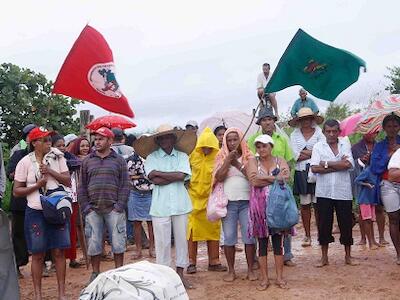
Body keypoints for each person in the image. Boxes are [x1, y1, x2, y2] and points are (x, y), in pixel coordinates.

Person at [13, 127, 72, 300]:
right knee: (37, 254)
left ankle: (61, 294)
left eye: (49, 140)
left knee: (59, 252)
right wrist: (37, 186)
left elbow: (68, 181)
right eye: (44, 140)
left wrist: (50, 171)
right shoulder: (24, 162)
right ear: (34, 143)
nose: (49, 143)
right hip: (35, 211)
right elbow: (17, 191)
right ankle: (38, 295)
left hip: (56, 209)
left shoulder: (58, 157)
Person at [140, 124, 196, 289]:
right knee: (162, 242)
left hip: (180, 203)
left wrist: (160, 173)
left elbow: (182, 175)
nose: (165, 140)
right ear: (157, 140)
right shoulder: (152, 158)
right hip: (160, 205)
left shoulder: (182, 156)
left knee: (181, 240)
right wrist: (174, 176)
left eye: (167, 137)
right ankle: (164, 278)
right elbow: (153, 178)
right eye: (161, 137)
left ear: (173, 138)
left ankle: (180, 275)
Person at [78, 127, 129, 283]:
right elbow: (81, 186)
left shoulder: (119, 160)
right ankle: (95, 273)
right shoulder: (87, 161)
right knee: (93, 242)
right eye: (96, 139)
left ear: (110, 141)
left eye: (101, 139)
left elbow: (125, 184)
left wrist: (119, 206)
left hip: (114, 208)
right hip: (93, 208)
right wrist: (86, 207)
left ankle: (119, 273)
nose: (97, 142)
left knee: (118, 241)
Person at [248, 108, 296, 266]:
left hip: (279, 192)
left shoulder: (282, 138)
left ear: (274, 120)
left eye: (270, 119)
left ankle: (286, 256)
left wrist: (271, 177)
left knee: (283, 222)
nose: (267, 122)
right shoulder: (252, 139)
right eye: (264, 119)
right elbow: (253, 174)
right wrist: (275, 178)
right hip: (259, 195)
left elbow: (286, 164)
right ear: (259, 122)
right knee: (260, 227)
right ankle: (258, 261)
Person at [310, 119, 357, 267]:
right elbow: (314, 168)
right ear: (323, 132)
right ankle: (324, 257)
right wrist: (338, 165)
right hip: (324, 192)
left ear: (339, 132)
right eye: (328, 131)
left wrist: (326, 163)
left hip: (343, 191)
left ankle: (348, 256)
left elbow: (349, 164)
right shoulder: (318, 146)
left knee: (346, 223)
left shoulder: (345, 144)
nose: (331, 134)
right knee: (324, 224)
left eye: (334, 131)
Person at [247, 134, 291, 290]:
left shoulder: (280, 160)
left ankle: (279, 278)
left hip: (277, 207)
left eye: (264, 145)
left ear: (271, 146)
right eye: (258, 146)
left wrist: (263, 178)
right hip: (259, 208)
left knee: (278, 243)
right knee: (262, 244)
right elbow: (253, 180)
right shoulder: (253, 161)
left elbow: (286, 177)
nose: (261, 149)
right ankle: (265, 279)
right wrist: (274, 178)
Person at [214, 127, 257, 282]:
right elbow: (218, 177)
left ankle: (251, 270)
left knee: (249, 237)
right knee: (229, 238)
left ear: (240, 140)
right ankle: (231, 271)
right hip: (228, 203)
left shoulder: (248, 155)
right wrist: (227, 161)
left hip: (247, 202)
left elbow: (253, 177)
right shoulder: (221, 156)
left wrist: (237, 164)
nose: (232, 143)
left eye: (235, 139)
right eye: (229, 140)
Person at [187, 128, 227, 274]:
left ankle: (214, 261)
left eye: (209, 147)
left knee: (213, 229)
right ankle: (191, 262)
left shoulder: (219, 156)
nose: (206, 149)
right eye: (203, 146)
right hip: (193, 199)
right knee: (192, 231)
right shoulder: (192, 156)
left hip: (211, 199)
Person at [289, 108, 325, 247]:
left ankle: (320, 234)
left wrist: (306, 153)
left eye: (308, 118)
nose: (306, 121)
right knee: (305, 205)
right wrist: (313, 152)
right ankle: (307, 235)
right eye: (303, 119)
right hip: (301, 171)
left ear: (312, 119)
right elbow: (294, 155)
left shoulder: (319, 132)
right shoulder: (294, 135)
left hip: (317, 171)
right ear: (299, 120)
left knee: (318, 205)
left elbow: (322, 151)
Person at [371, 113, 400, 264]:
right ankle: (398, 253)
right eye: (389, 126)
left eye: (395, 126)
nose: (392, 129)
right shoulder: (380, 146)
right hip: (387, 184)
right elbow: (376, 168)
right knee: (394, 218)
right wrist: (391, 154)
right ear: (383, 128)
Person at [52, 134, 84, 269]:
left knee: (71, 229)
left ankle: (72, 258)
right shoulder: (49, 160)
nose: (61, 148)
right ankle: (55, 260)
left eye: (63, 145)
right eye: (58, 146)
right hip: (55, 198)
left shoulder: (72, 159)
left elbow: (77, 164)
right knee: (57, 229)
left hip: (72, 197)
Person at [352, 133, 388, 246]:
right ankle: (364, 238)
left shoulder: (380, 145)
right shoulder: (356, 147)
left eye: (375, 132)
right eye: (369, 132)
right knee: (364, 213)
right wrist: (361, 160)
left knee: (379, 209)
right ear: (363, 132)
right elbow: (352, 164)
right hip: (363, 184)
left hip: (377, 180)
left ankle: (381, 237)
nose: (372, 134)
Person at [126, 149, 155, 259]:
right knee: (136, 222)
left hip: (150, 192)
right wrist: (145, 176)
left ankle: (152, 249)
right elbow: (128, 175)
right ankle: (139, 250)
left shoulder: (153, 157)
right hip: (135, 192)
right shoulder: (131, 158)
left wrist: (139, 176)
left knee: (151, 222)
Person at [354, 166, 380, 250]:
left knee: (371, 220)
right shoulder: (368, 171)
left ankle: (373, 241)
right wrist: (366, 184)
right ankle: (370, 243)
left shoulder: (375, 171)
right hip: (365, 199)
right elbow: (357, 180)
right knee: (367, 220)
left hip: (371, 199)